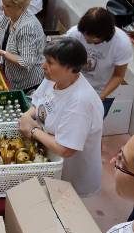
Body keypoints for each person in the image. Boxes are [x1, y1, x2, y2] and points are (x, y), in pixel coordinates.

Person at [19, 38, 103, 196]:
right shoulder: (54, 79)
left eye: (50, 63)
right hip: (51, 157)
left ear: (70, 68)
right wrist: (26, 116)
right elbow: (37, 103)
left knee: (65, 205)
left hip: (72, 172)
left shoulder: (80, 102)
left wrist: (34, 131)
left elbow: (66, 149)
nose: (44, 66)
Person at [65, 7, 133, 118]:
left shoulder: (121, 43)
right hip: (73, 85)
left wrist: (99, 98)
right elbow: (63, 58)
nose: (86, 40)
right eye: (85, 35)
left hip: (102, 92)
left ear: (106, 36)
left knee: (91, 126)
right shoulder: (75, 33)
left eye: (93, 40)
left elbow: (118, 76)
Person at [0, 0, 45, 92]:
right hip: (10, 74)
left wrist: (1, 52)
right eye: (3, 3)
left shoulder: (27, 28)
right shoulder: (12, 14)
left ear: (20, 7)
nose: (3, 7)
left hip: (26, 83)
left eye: (7, 5)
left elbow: (26, 62)